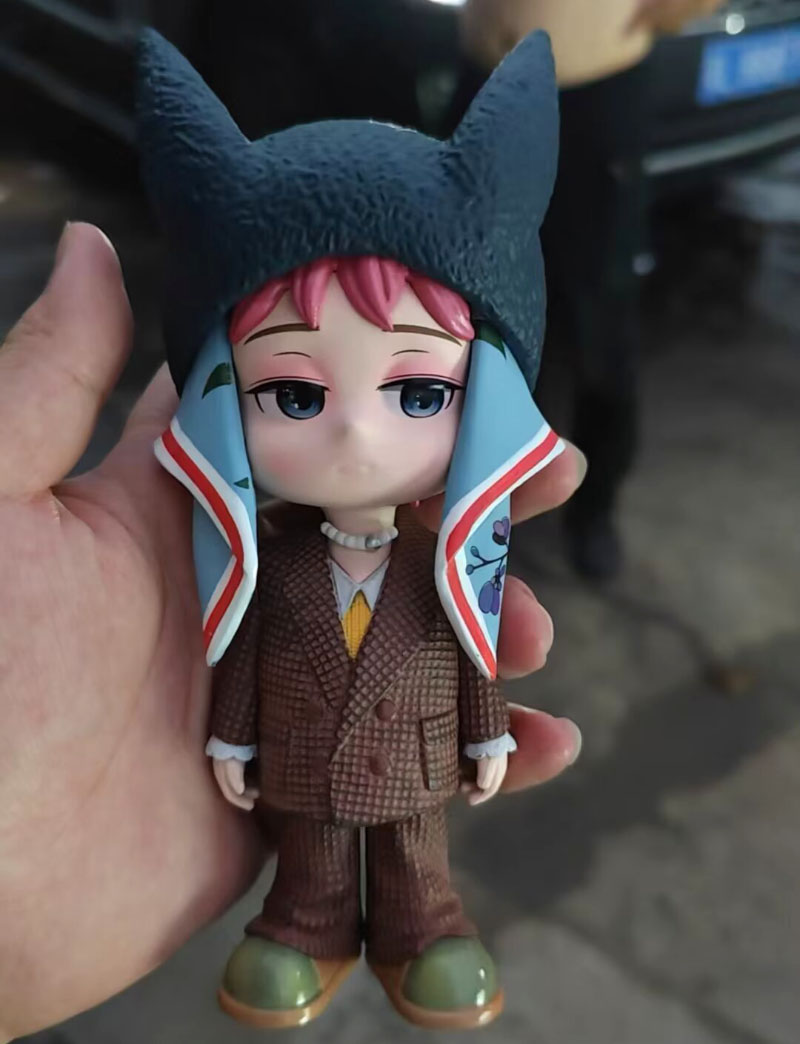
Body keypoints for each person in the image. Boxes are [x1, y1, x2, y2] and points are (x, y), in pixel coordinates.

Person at [0, 226, 584, 1039]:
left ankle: (426, 931)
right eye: (296, 398)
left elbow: (474, 641)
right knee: (311, 861)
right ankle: (308, 930)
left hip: (417, 754)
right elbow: (241, 651)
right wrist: (230, 737)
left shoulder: (443, 563)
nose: (355, 435)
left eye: (420, 394)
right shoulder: (271, 567)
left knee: (416, 857)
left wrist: (487, 735)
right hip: (302, 753)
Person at [458, 0, 724, 580]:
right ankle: (469, 502)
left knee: (598, 313)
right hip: (487, 86)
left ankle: (594, 508)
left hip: (594, 93)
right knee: (473, 307)